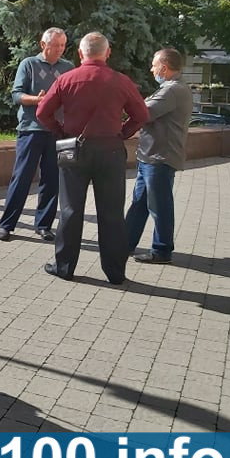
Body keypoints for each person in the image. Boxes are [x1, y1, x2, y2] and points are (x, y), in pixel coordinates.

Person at [37, 32, 149, 284]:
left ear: (79, 53)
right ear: (107, 53)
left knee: (70, 210)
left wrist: (62, 132)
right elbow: (141, 114)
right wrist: (123, 132)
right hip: (110, 150)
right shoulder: (121, 81)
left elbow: (43, 113)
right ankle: (115, 272)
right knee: (111, 212)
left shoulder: (66, 79)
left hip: (73, 149)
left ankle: (64, 267)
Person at [0, 28, 75, 242]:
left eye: (62, 45)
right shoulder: (29, 64)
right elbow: (16, 94)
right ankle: (7, 225)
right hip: (31, 128)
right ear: (43, 45)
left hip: (57, 131)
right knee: (21, 177)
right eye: (55, 45)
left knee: (51, 180)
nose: (59, 49)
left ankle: (43, 225)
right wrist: (37, 100)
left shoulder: (68, 67)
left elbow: (73, 95)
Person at [125, 49, 193, 264]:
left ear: (164, 67)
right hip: (151, 156)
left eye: (154, 65)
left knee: (159, 205)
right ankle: (125, 243)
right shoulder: (169, 88)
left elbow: (142, 113)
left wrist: (123, 96)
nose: (151, 69)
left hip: (160, 157)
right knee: (139, 203)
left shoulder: (172, 90)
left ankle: (162, 250)